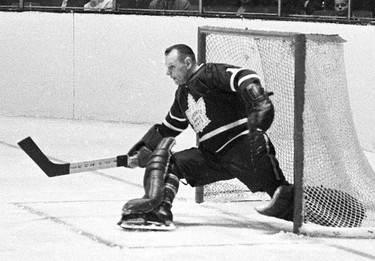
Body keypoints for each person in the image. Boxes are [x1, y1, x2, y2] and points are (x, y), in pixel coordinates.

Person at [117, 44, 294, 228]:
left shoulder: (210, 73)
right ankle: (159, 210)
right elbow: (167, 129)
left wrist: (258, 100)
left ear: (187, 62)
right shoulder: (181, 95)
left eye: (172, 67)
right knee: (170, 164)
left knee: (284, 199)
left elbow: (245, 76)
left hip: (242, 147)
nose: (168, 73)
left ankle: (306, 203)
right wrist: (143, 150)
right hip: (212, 157)